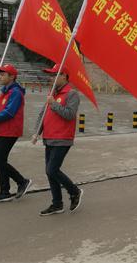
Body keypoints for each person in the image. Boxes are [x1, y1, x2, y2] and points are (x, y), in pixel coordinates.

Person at [32, 64, 83, 216]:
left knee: (52, 169)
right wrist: (37, 132)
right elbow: (43, 114)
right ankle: (57, 204)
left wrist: (53, 104)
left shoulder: (72, 94)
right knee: (50, 172)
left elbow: (69, 114)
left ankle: (74, 191)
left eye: (55, 75)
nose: (51, 78)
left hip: (62, 138)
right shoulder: (52, 93)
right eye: (51, 75)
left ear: (64, 76)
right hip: (49, 138)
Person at [0, 64, 32, 204]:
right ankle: (4, 192)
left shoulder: (16, 92)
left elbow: (9, 113)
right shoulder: (6, 91)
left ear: (12, 77)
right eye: (0, 74)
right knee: (1, 162)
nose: (0, 77)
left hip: (10, 131)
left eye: (3, 74)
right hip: (1, 130)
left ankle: (22, 181)